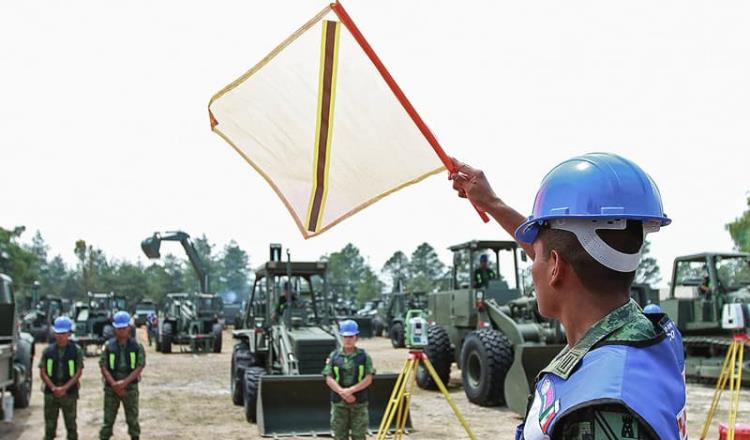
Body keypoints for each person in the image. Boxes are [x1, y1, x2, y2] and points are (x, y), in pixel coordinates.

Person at [450, 153, 686, 439]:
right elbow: (567, 252)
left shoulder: (603, 407)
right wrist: (491, 202)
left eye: (535, 256)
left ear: (556, 268)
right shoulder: (652, 332)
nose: (532, 263)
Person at [323, 320, 376, 440]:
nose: (348, 339)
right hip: (339, 404)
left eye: (351, 336)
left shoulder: (364, 356)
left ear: (356, 337)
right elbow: (328, 377)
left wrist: (351, 390)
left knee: (359, 435)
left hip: (359, 403)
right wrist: (343, 392)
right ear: (341, 337)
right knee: (339, 435)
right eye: (345, 337)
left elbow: (368, 378)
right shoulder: (334, 356)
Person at [99, 311, 146, 440]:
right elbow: (103, 366)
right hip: (111, 388)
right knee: (107, 422)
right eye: (118, 328)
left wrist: (124, 383)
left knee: (133, 421)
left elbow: (140, 366)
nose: (121, 331)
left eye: (124, 328)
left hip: (130, 388)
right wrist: (114, 384)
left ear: (129, 328)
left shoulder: (136, 346)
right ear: (114, 328)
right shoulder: (108, 346)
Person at [40, 316, 84, 440]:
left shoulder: (76, 351)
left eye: (63, 333)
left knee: (71, 426)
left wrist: (64, 388)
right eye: (58, 333)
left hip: (69, 393)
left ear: (69, 333)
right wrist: (53, 388)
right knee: (49, 427)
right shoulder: (48, 351)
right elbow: (43, 372)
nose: (60, 336)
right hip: (51, 393)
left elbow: (78, 372)